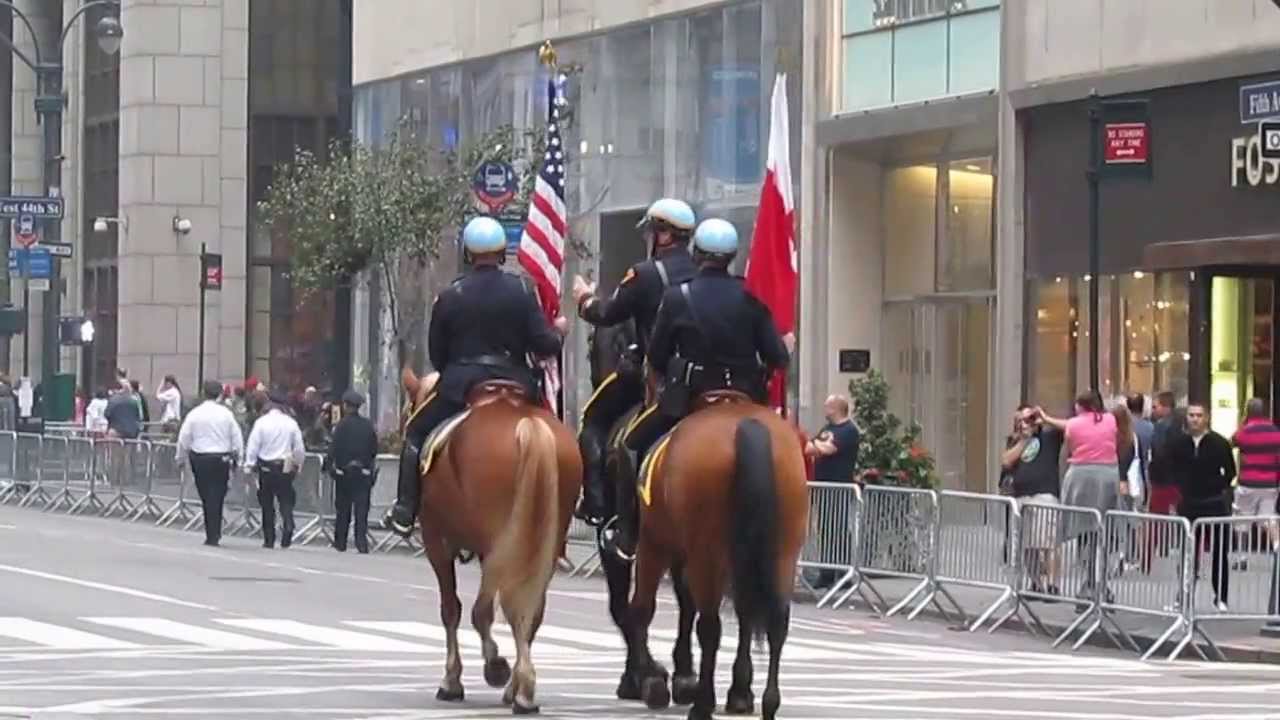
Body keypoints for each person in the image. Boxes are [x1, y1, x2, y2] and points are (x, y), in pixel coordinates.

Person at [610, 218, 791, 560]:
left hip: (690, 397)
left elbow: (658, 355)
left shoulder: (678, 297)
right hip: (745, 398)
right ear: (731, 257)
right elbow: (778, 357)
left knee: (630, 447)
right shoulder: (752, 298)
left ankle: (628, 533)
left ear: (696, 253)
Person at [383, 216, 567, 537]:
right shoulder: (522, 290)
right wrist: (559, 332)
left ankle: (404, 509)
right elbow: (544, 344)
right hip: (517, 384)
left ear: (468, 253)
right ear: (501, 252)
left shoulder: (450, 296)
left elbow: (437, 354)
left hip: (462, 385)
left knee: (415, 433)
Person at [569, 198, 698, 526]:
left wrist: (584, 298)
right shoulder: (702, 273)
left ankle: (598, 504)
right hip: (700, 378)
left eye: (650, 233)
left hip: (652, 377)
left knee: (594, 418)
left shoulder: (645, 275)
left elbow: (607, 314)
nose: (647, 240)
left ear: (664, 236)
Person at [1038, 390, 1122, 598]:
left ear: (1080, 406)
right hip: (1108, 474)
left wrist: (1045, 417)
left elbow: (1067, 432)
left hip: (1082, 476)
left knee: (1084, 528)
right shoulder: (1110, 420)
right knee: (1103, 527)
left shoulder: (1075, 424)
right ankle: (1097, 580)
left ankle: (1090, 578)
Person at [1173, 402, 1236, 610]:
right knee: (1188, 552)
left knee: (1219, 551)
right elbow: (1169, 467)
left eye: (1199, 415)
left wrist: (1219, 486)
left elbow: (1230, 471)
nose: (1195, 419)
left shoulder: (1219, 443)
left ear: (1206, 418)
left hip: (1214, 503)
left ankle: (1221, 597)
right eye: (1191, 415)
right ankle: (1183, 595)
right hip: (1188, 503)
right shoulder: (1180, 443)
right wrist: (1180, 488)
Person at [1003, 404, 1063, 594]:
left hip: (1044, 493)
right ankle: (1036, 582)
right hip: (1021, 495)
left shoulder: (1049, 437)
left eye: (1027, 419)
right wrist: (1022, 440)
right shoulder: (1014, 441)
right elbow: (1006, 461)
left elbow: (1069, 428)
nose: (1023, 424)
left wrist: (1045, 419)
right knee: (1027, 544)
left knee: (1048, 543)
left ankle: (1052, 585)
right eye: (1018, 421)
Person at [176, 380, 244, 547]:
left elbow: (184, 437)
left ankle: (211, 531)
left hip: (200, 457)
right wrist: (239, 457)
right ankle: (215, 531)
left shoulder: (195, 414)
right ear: (220, 394)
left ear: (203, 393)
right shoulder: (226, 414)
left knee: (205, 494)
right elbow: (236, 436)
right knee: (218, 494)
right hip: (221, 457)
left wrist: (180, 457)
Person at [804, 393, 860, 589]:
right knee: (825, 529)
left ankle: (844, 573)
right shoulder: (827, 429)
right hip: (824, 487)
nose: (824, 410)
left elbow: (829, 449)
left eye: (827, 406)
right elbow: (809, 448)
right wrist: (820, 446)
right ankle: (826, 573)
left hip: (840, 486)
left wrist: (819, 446)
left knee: (840, 529)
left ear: (836, 408)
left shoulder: (849, 430)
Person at [244, 387, 306, 549]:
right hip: (285, 467)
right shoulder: (291, 423)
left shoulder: (261, 423)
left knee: (267, 503)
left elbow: (253, 446)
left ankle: (269, 538)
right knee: (285, 499)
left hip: (266, 467)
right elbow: (299, 448)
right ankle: (288, 525)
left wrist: (249, 465)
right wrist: (298, 463)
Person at [326, 389, 379, 554]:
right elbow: (373, 449)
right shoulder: (368, 426)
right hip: (362, 473)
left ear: (346, 405)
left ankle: (340, 541)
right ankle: (361, 542)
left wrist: (329, 466)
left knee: (343, 509)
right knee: (361, 510)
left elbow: (334, 448)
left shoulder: (341, 426)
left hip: (344, 474)